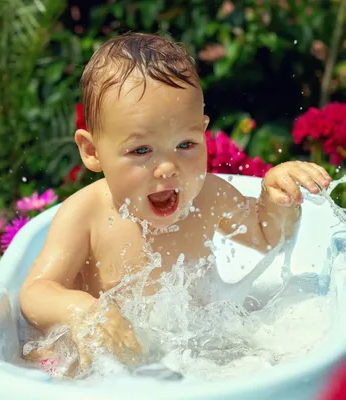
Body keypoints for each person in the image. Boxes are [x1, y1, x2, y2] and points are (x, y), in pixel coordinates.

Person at [20, 32, 331, 376]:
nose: (168, 168)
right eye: (141, 150)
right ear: (92, 152)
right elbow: (35, 293)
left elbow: (266, 237)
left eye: (185, 144)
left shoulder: (209, 195)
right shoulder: (86, 215)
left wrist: (276, 198)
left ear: (203, 130)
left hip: (193, 358)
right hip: (111, 369)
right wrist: (80, 309)